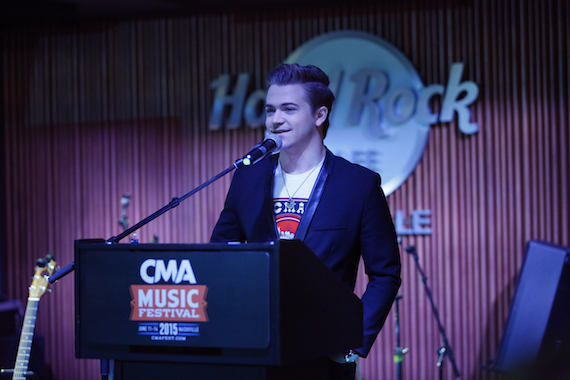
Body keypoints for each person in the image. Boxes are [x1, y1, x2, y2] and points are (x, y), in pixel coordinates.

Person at [211, 63, 401, 380]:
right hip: (256, 348)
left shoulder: (358, 184)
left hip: (323, 355)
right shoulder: (248, 177)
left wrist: (353, 339)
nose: (275, 119)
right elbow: (219, 255)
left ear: (319, 115)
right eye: (270, 110)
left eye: (288, 109)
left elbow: (385, 272)